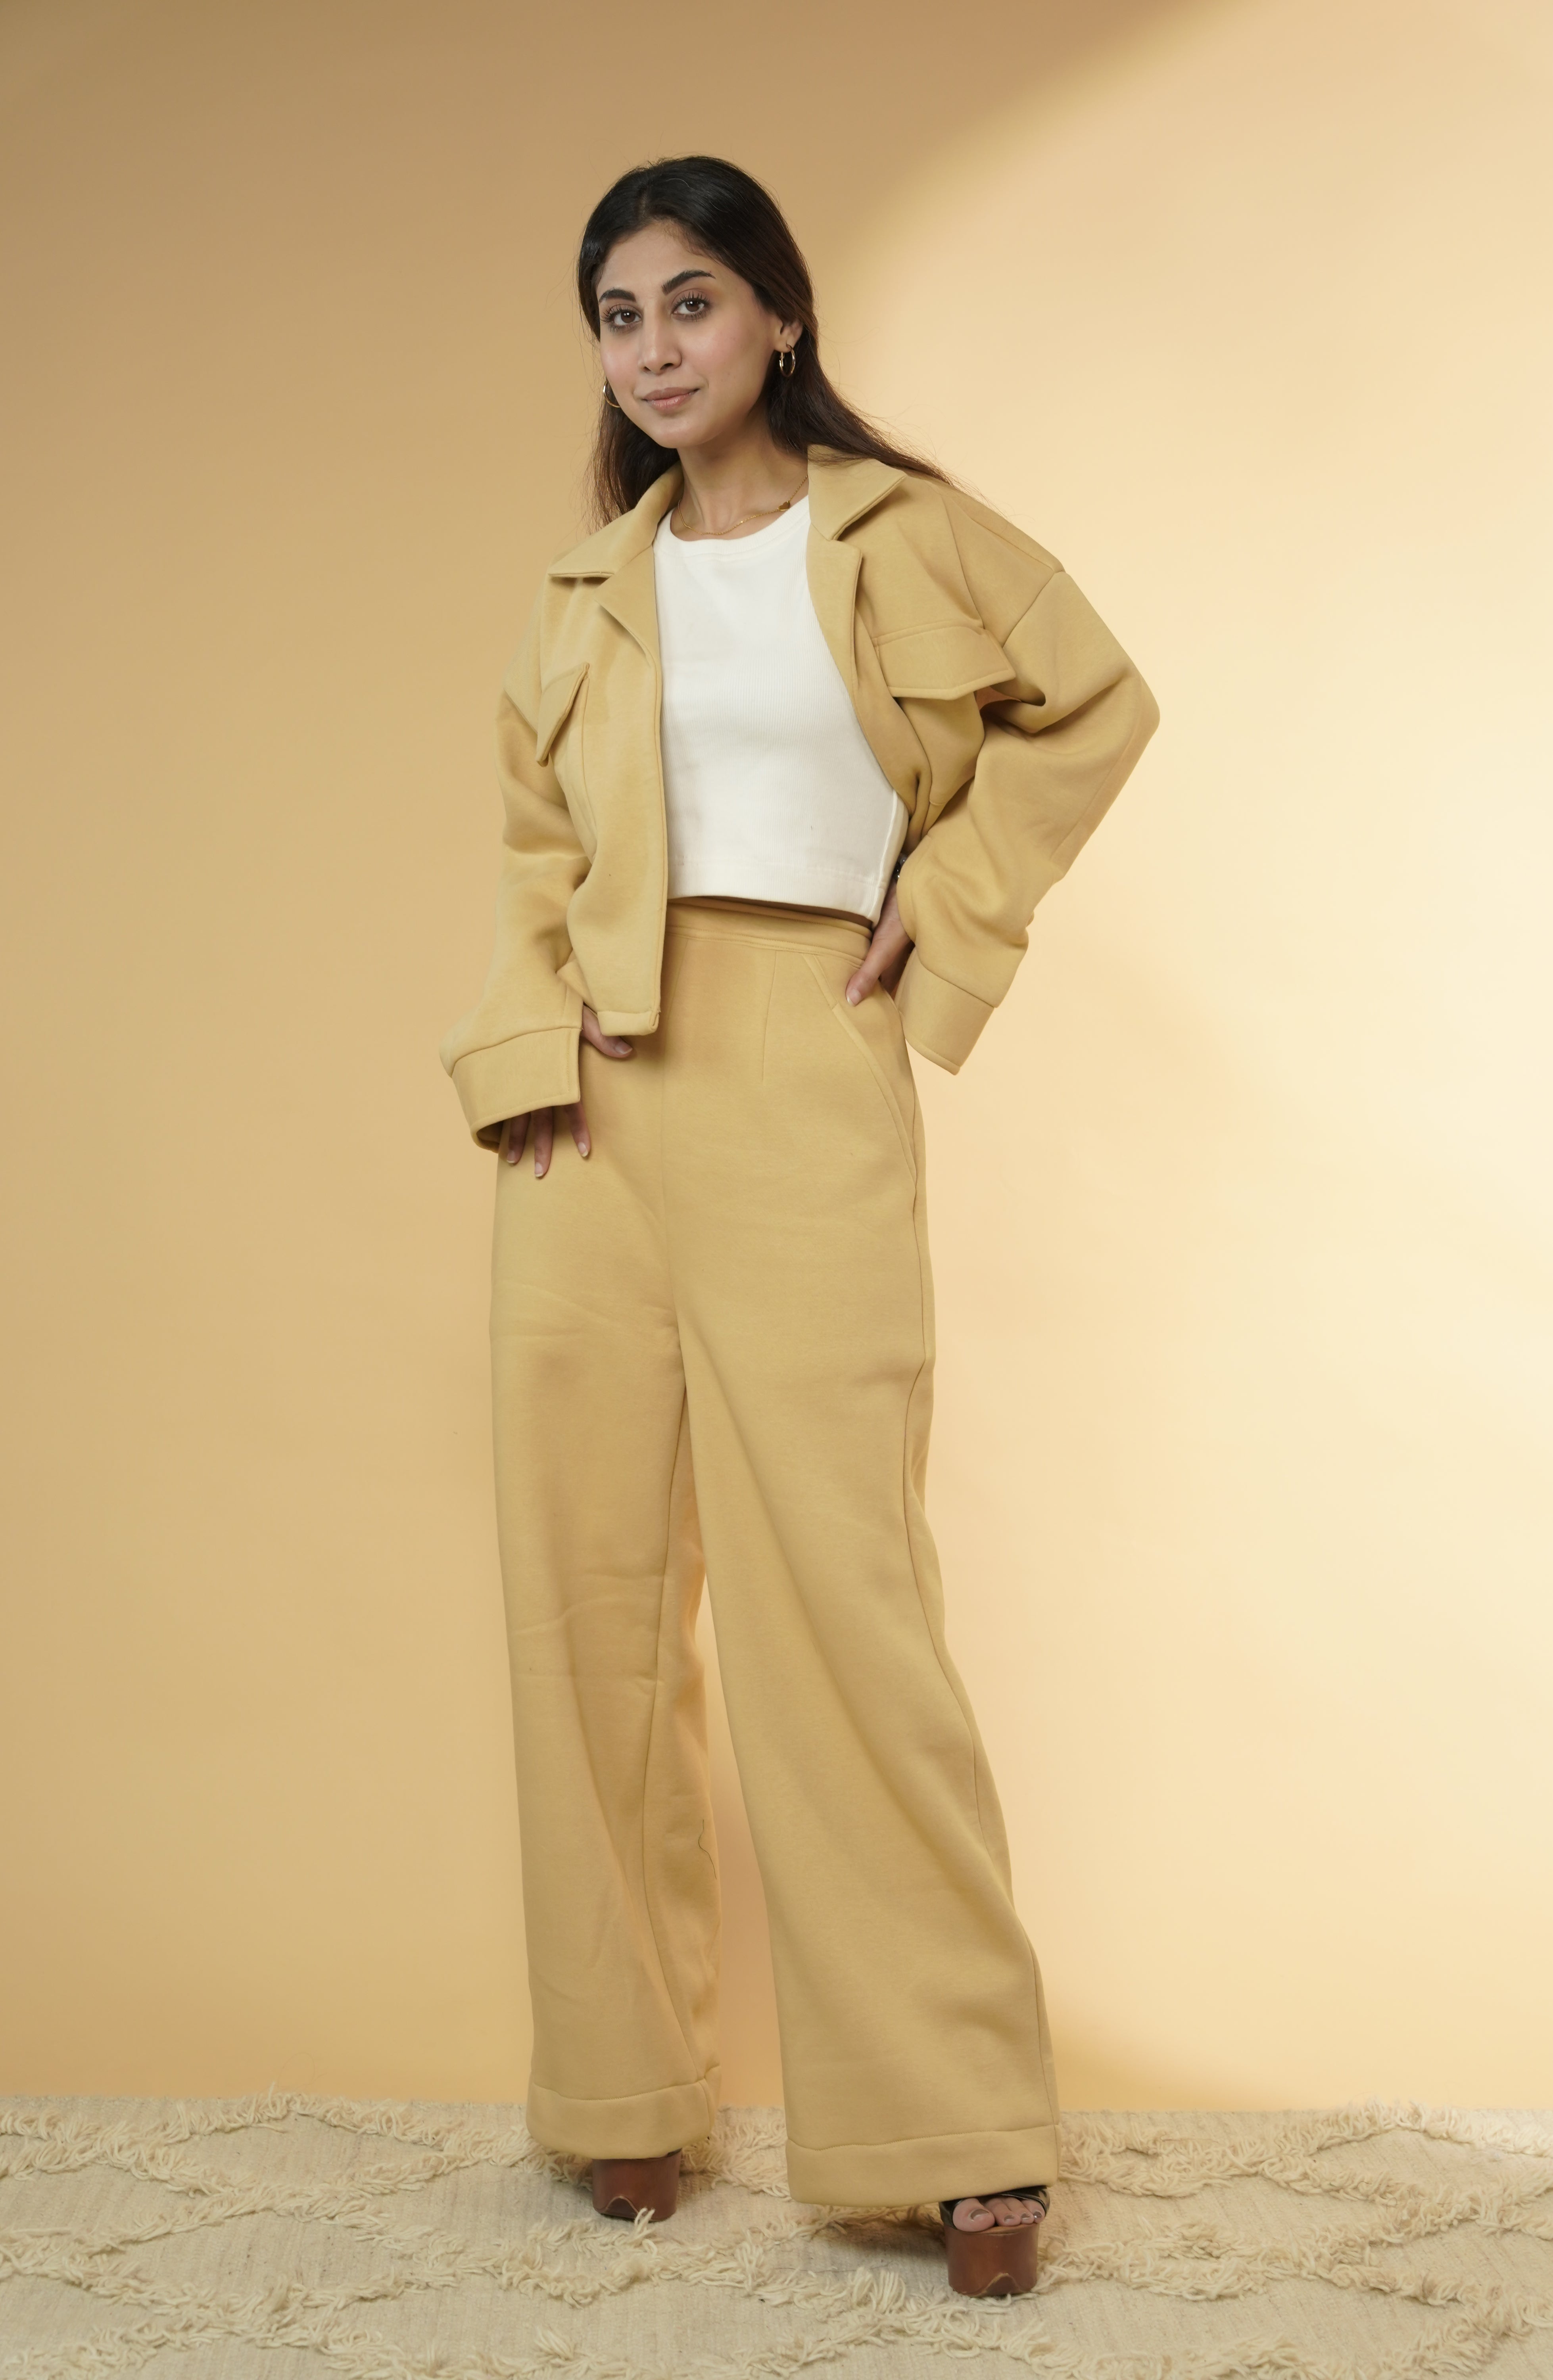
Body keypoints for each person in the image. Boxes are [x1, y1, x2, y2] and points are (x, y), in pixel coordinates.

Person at [441, 155, 1157, 2298]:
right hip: (590, 1103)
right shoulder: (583, 592)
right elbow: (534, 859)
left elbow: (1094, 704)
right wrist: (528, 1053)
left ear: (777, 314)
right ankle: (620, 2095)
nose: (656, 348)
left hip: (802, 1068)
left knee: (843, 1601)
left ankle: (957, 2130)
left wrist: (951, 904)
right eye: (620, 315)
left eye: (692, 302)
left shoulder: (905, 533)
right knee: (586, 1597)